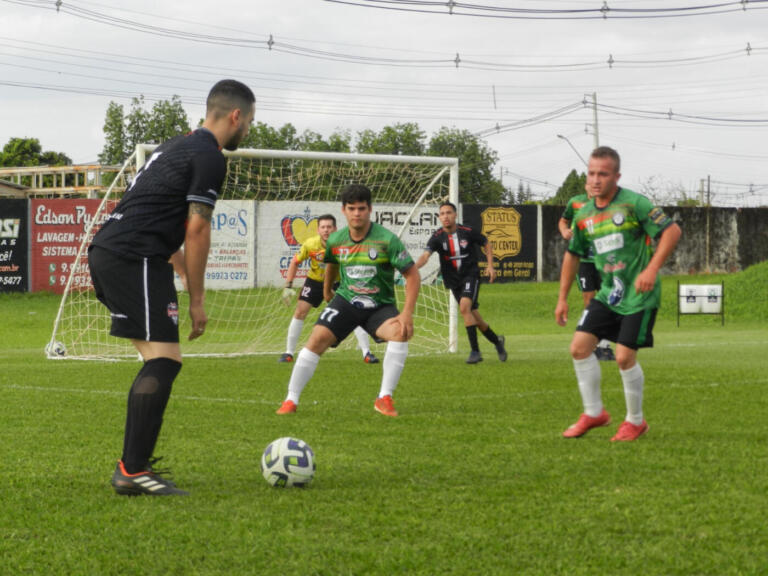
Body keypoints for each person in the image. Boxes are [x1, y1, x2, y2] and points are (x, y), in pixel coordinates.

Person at [88, 79, 255, 495]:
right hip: (134, 258)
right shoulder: (210, 157)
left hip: (116, 252)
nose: (248, 130)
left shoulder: (173, 147)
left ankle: (135, 465)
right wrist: (197, 299)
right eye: (250, 122)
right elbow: (197, 230)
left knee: (160, 359)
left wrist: (178, 272)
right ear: (236, 116)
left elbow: (159, 219)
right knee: (164, 361)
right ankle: (132, 471)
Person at [555, 146, 681, 442]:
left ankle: (635, 421)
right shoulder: (584, 214)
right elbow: (572, 255)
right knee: (579, 348)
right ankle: (594, 413)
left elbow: (672, 231)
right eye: (591, 173)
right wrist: (562, 298)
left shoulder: (634, 204)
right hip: (608, 294)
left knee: (624, 357)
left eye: (603, 174)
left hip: (639, 295)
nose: (595, 179)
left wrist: (651, 269)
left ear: (616, 176)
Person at [276, 183, 420, 417]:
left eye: (361, 208)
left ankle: (384, 398)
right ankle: (291, 400)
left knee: (400, 332)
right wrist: (327, 292)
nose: (356, 213)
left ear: (370, 209)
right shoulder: (336, 240)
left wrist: (406, 313)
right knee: (316, 339)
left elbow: (412, 275)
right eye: (351, 208)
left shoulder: (387, 240)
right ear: (343, 210)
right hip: (346, 301)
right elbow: (331, 264)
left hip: (379, 305)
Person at [279, 213, 379, 365]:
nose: (326, 230)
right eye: (323, 227)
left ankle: (367, 353)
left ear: (335, 229)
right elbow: (295, 262)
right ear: (318, 230)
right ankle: (288, 352)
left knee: (354, 313)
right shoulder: (310, 244)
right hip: (315, 281)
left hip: (338, 283)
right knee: (300, 311)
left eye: (329, 227)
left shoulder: (344, 244)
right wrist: (288, 286)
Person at [415, 201, 507, 364]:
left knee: (464, 307)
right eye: (442, 214)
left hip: (471, 275)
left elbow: (486, 243)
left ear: (455, 215)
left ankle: (475, 352)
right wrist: (413, 269)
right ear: (439, 217)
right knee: (475, 318)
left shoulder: (468, 231)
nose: (445, 216)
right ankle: (497, 341)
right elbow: (425, 256)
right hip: (453, 281)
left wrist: (490, 266)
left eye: (449, 212)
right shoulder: (437, 237)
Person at [558, 192, 615, 362]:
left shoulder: (610, 203)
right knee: (589, 301)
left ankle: (604, 344)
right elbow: (563, 221)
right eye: (590, 181)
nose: (594, 184)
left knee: (607, 300)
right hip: (584, 262)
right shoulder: (576, 202)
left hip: (604, 260)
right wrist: (564, 231)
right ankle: (594, 344)